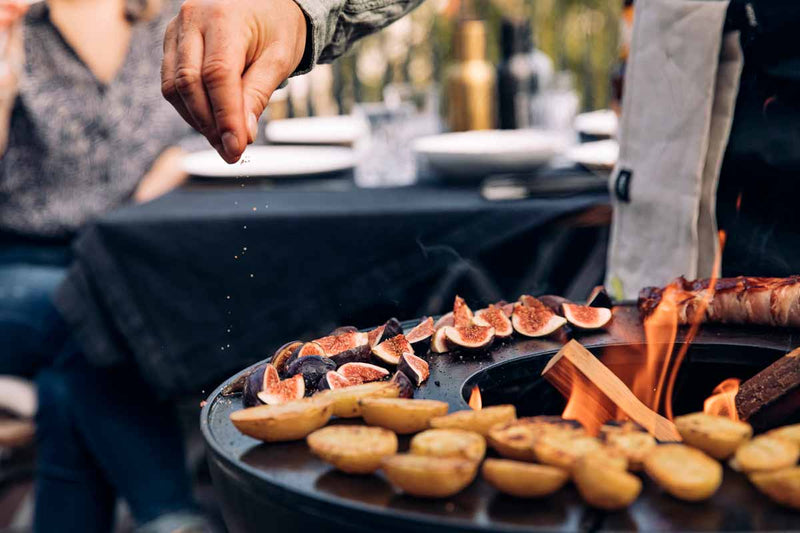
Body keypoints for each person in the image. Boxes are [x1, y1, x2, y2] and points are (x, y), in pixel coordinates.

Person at [0, 0, 214, 530]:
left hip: (130, 261)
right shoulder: (16, 24)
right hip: (22, 269)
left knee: (65, 387)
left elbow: (215, 125)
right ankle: (170, 513)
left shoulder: (171, 21)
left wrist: (168, 172)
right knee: (91, 312)